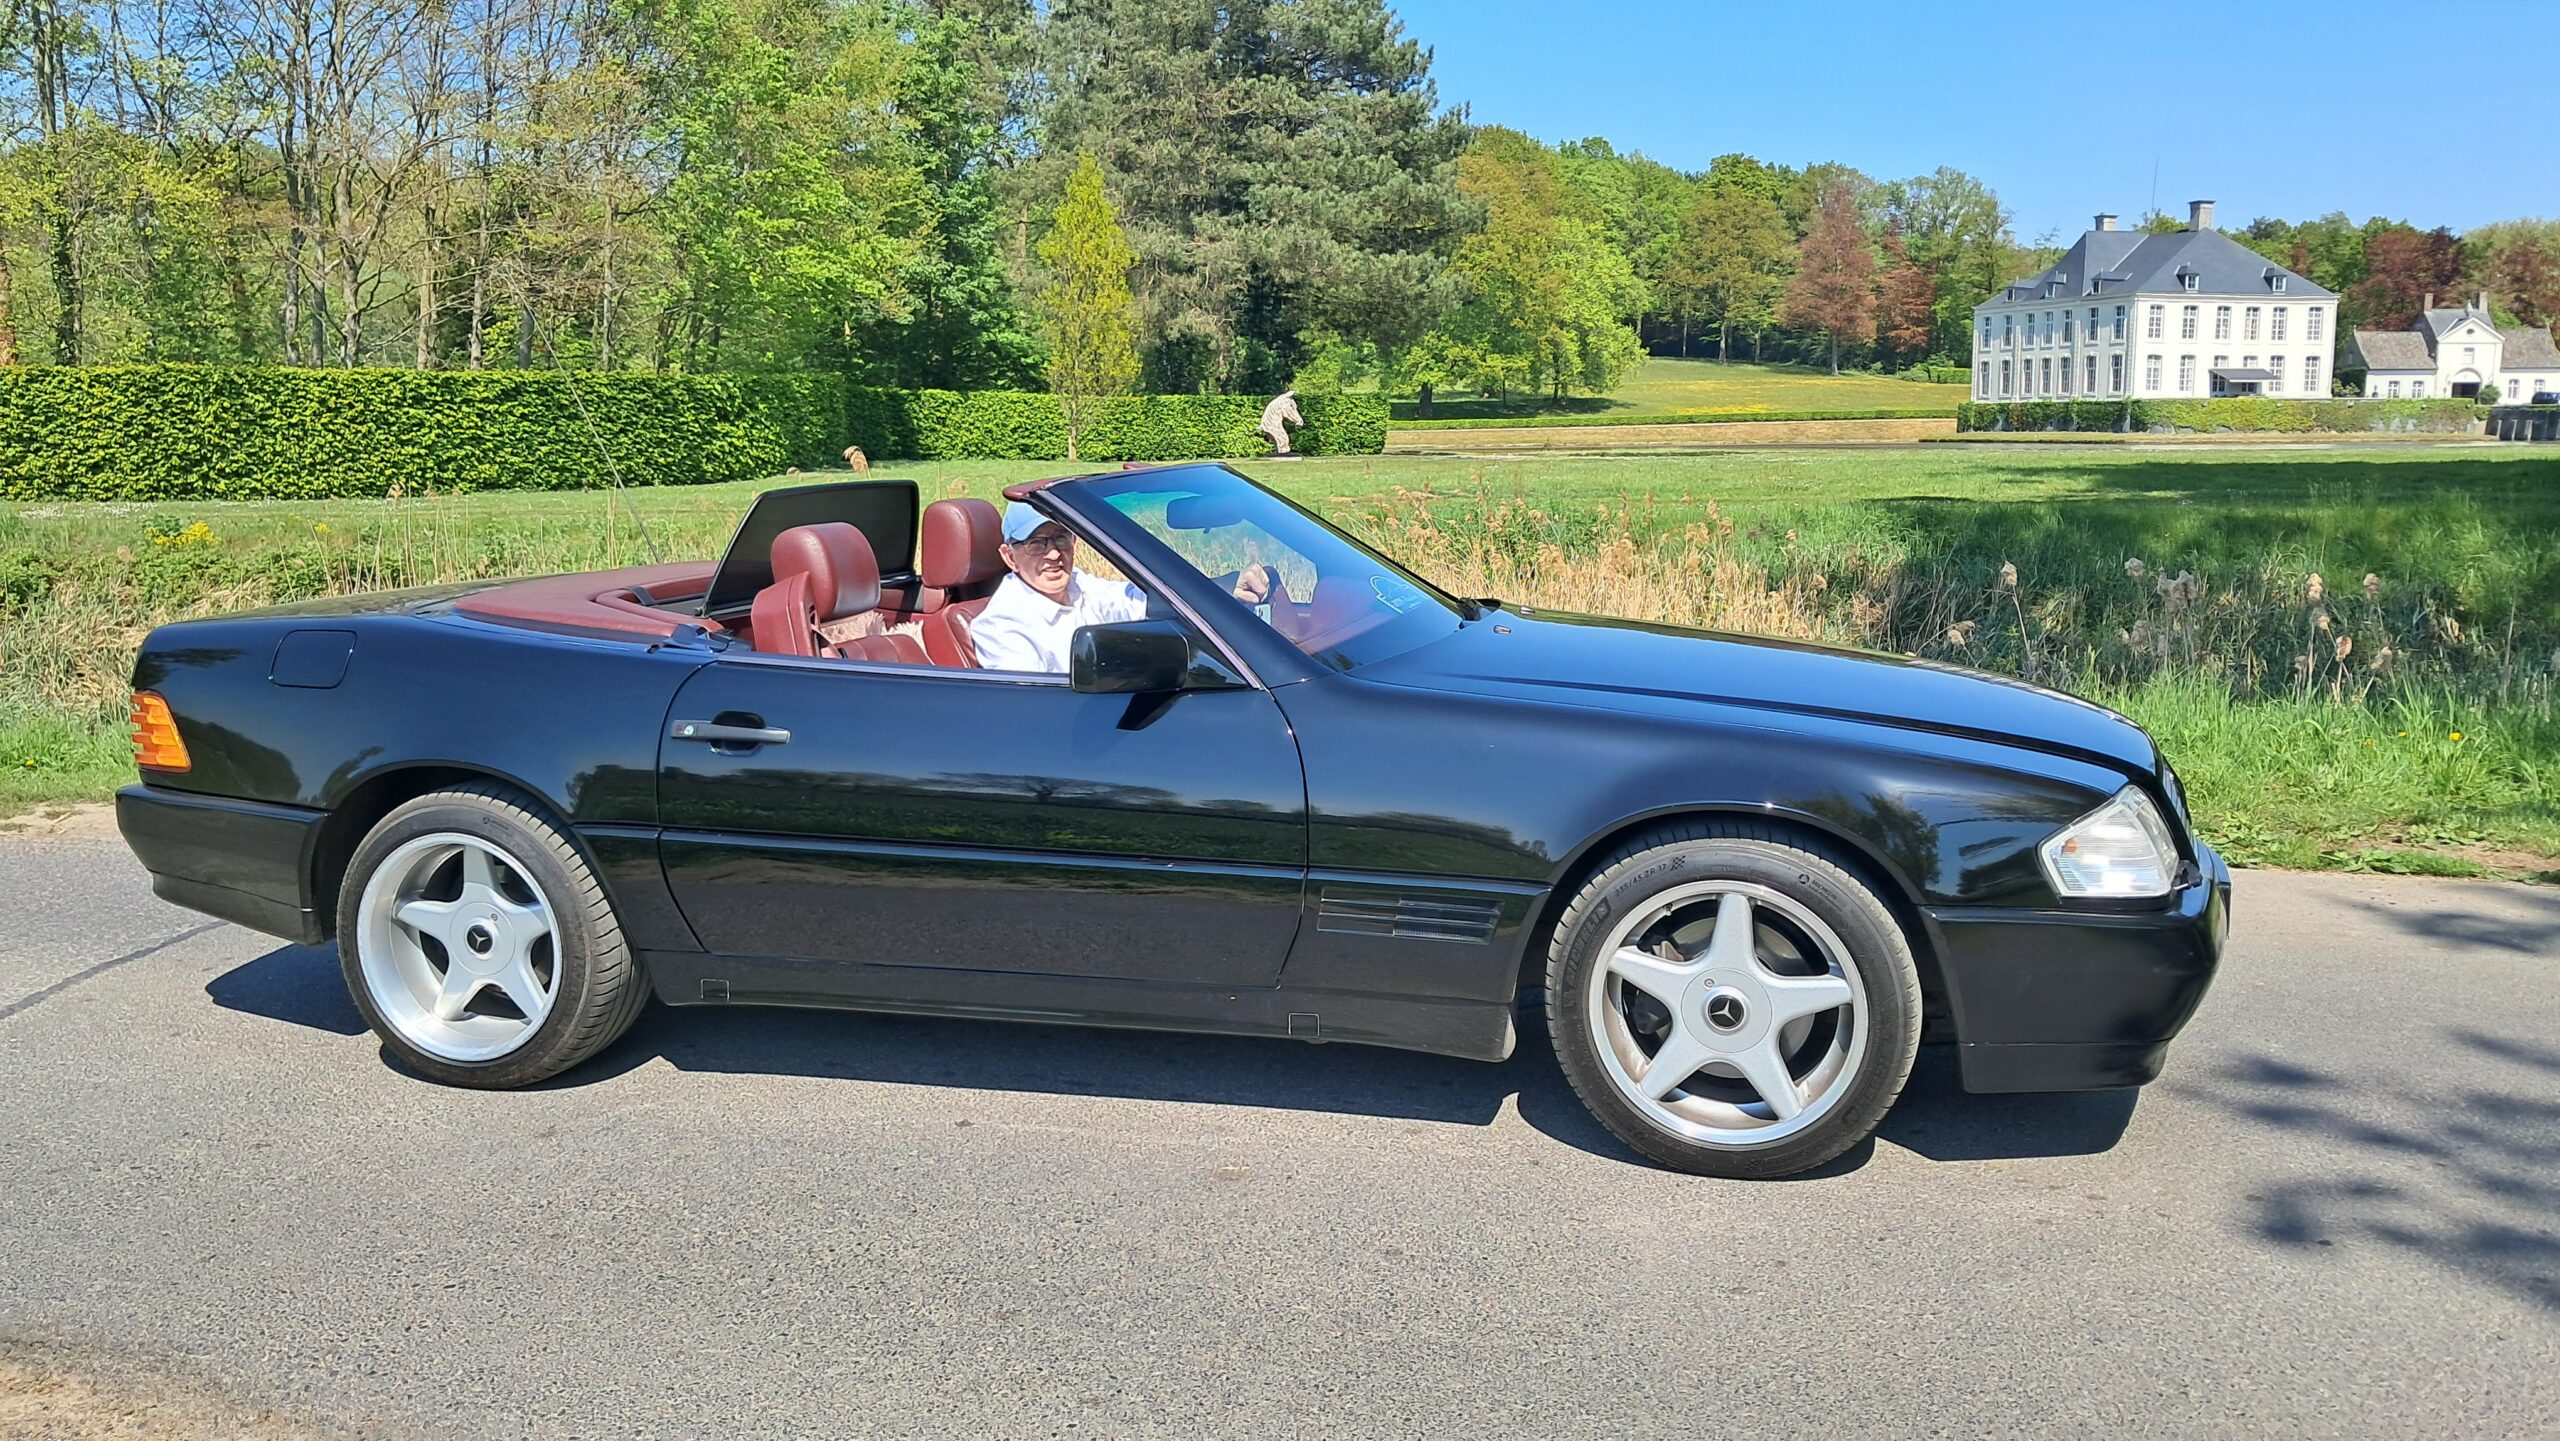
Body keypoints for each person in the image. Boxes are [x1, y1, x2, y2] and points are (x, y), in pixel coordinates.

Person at [972, 501, 1272, 673]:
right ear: (1009, 557)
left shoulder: (1080, 584)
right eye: (1036, 543)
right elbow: (1035, 710)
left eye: (1060, 538)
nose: (1053, 554)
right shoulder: (1001, 625)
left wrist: (1224, 589)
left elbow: (1138, 601)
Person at [1259, 389, 1303, 456]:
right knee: (1283, 440)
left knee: (1283, 440)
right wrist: (1297, 420)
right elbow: (1290, 412)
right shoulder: (1284, 403)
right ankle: (1282, 453)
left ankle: (1282, 453)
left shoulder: (1277, 404)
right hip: (1273, 428)